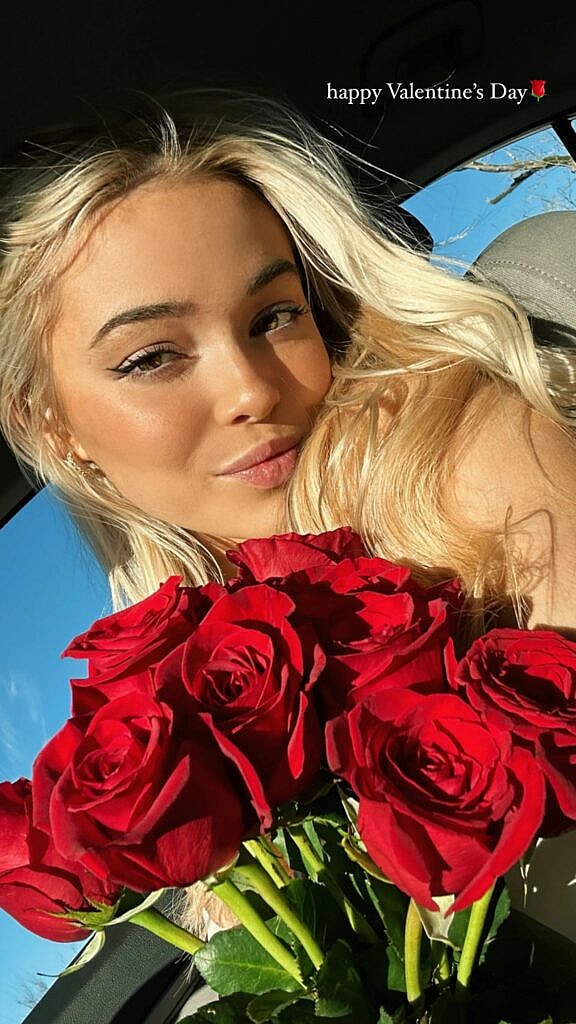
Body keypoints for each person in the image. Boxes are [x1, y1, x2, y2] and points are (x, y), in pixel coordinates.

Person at [0, 90, 575, 944]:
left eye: (274, 315)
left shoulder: (462, 443)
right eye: (152, 357)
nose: (252, 389)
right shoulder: (176, 689)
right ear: (52, 424)